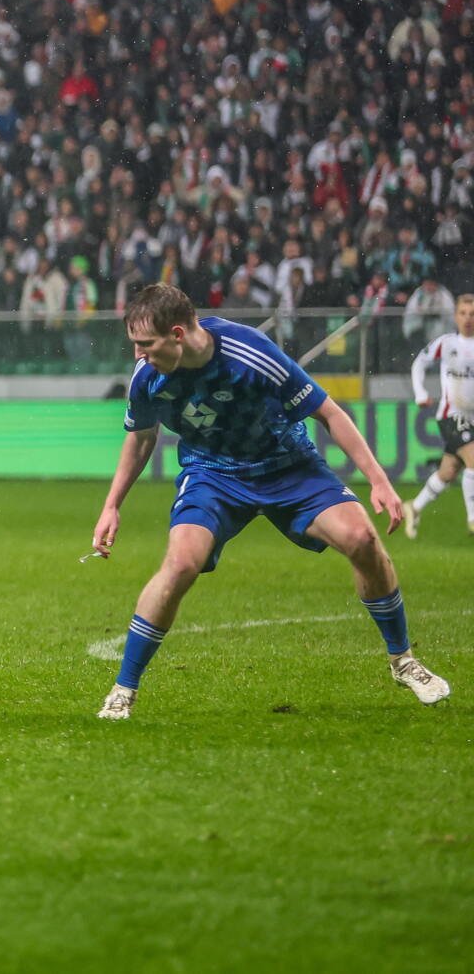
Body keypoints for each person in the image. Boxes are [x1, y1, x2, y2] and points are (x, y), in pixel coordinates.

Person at [89, 284, 450, 720]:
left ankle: (403, 661)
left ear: (178, 334)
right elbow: (141, 439)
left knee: (362, 539)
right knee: (182, 563)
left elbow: (329, 413)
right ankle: (124, 689)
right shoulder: (148, 378)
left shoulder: (251, 353)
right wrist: (112, 505)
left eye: (145, 345)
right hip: (212, 474)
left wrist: (379, 481)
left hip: (287, 466)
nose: (138, 355)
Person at [403, 293, 474, 539]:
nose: (468, 319)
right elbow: (419, 364)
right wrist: (420, 392)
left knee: (449, 471)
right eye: (463, 313)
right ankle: (473, 519)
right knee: (473, 458)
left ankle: (414, 507)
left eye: (472, 314)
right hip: (450, 414)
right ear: (455, 316)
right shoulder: (446, 343)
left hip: (472, 418)